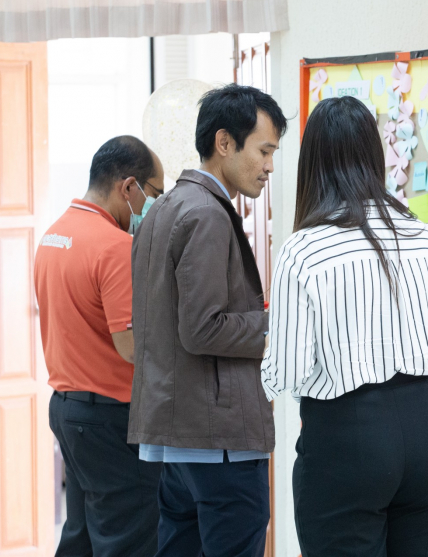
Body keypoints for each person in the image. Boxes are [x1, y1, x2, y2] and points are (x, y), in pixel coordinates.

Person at [262, 96, 428, 557]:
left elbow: (285, 373)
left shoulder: (304, 248)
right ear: (374, 154)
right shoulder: (424, 235)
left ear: (313, 163)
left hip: (348, 433)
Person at [128, 83, 288, 557]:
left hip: (178, 435)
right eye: (263, 151)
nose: (269, 166)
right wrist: (274, 327)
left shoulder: (163, 209)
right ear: (224, 142)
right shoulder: (207, 214)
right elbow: (202, 327)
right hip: (218, 439)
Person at [35, 135, 166, 556]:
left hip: (68, 410)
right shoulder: (115, 246)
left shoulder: (54, 235)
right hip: (109, 418)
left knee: (83, 537)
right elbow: (131, 347)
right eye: (154, 194)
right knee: (130, 539)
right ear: (128, 187)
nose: (154, 206)